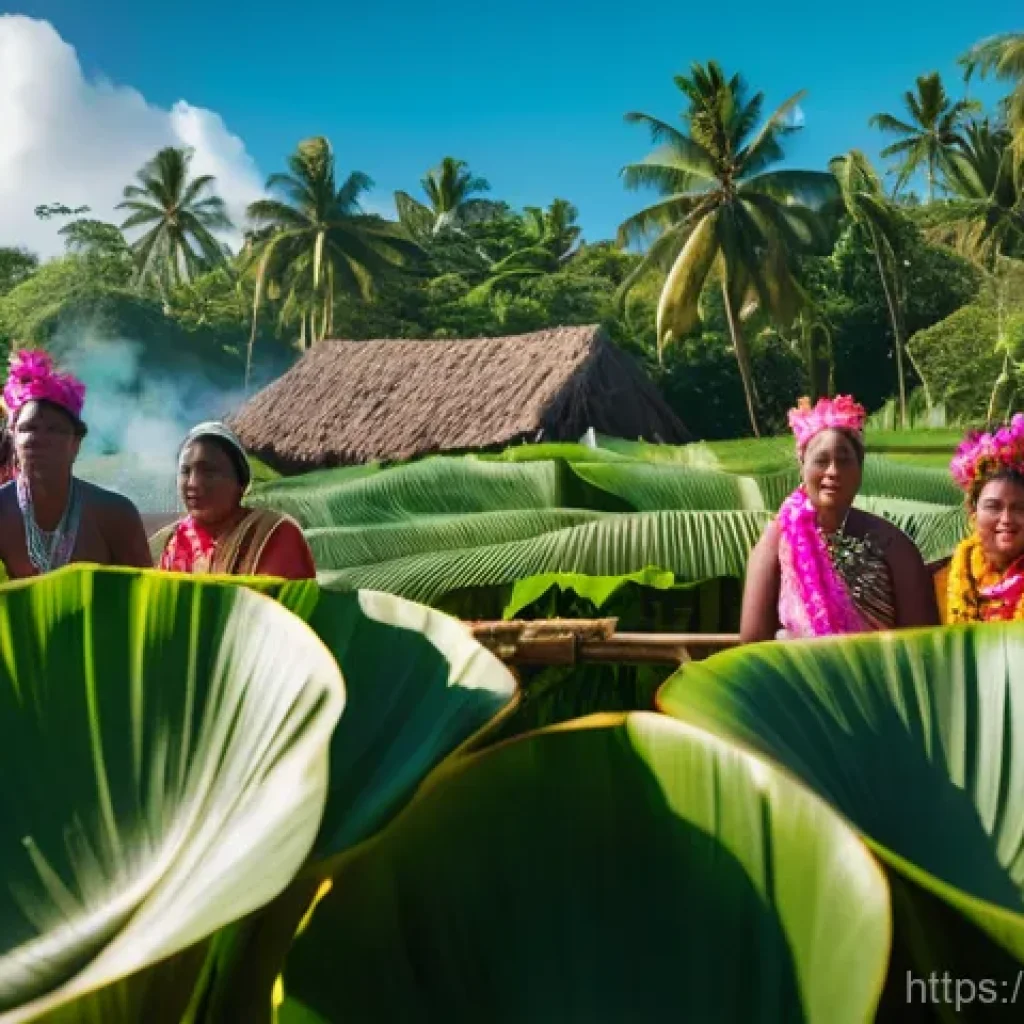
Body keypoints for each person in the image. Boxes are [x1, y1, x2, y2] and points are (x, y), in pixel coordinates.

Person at [740, 394, 939, 642]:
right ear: (802, 466)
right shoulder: (777, 539)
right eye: (821, 461)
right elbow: (753, 639)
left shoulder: (891, 543)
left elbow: (923, 641)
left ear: (860, 468)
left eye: (844, 461)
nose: (833, 471)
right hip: (796, 666)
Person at [0, 349, 153, 579]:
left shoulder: (115, 514)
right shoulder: (2, 510)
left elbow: (145, 593)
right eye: (28, 428)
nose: (39, 438)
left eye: (54, 429)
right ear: (13, 437)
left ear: (76, 442)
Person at [152, 421, 316, 579]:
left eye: (209, 472)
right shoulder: (170, 540)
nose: (193, 483)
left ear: (241, 483)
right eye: (185, 471)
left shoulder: (274, 533)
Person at [941, 413, 1024, 623]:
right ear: (973, 512)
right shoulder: (958, 570)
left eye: (1020, 508)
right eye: (993, 507)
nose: (1006, 518)